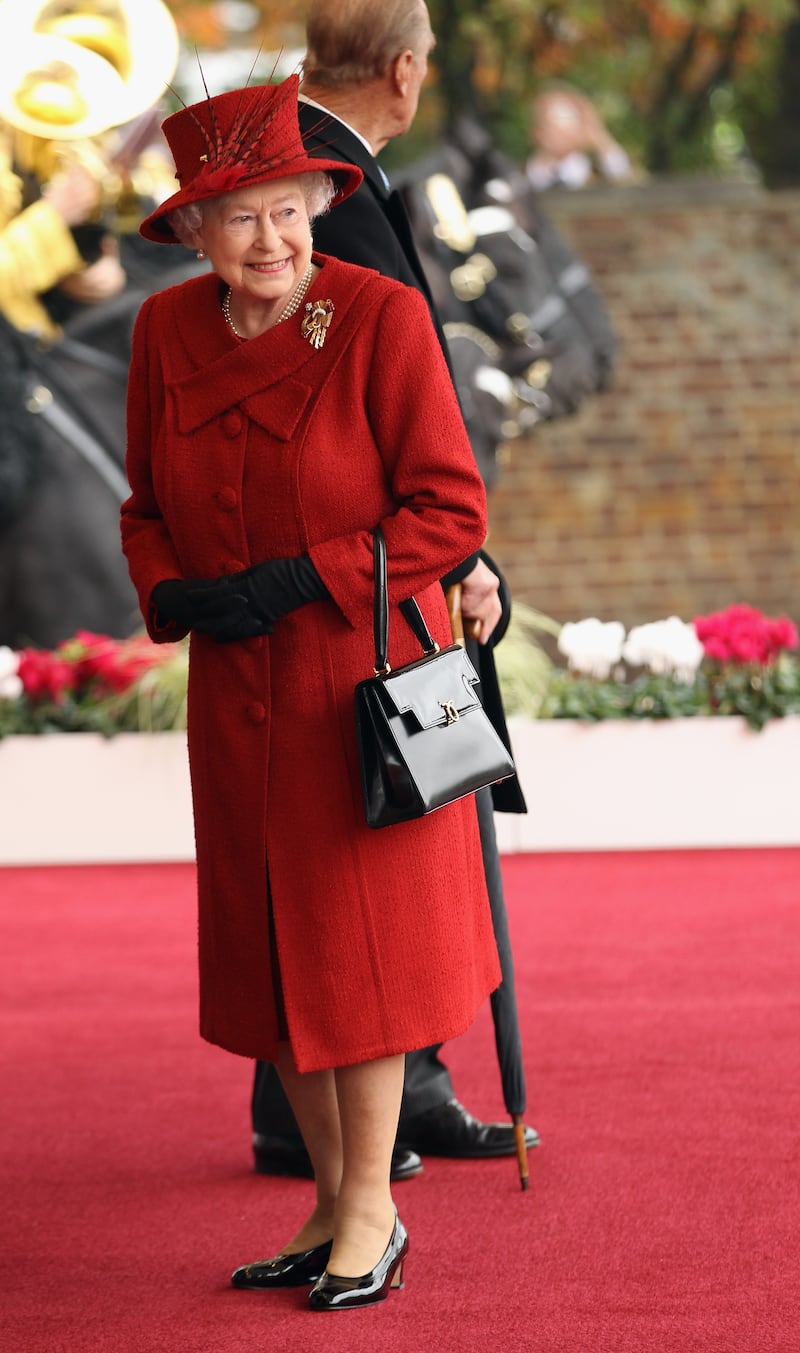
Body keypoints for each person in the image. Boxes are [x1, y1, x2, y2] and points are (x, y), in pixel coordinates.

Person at [120, 75, 501, 1311]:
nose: (273, 240)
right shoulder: (163, 336)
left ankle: (374, 1213)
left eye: (290, 209)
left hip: (358, 685)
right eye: (240, 218)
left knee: (357, 957)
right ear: (192, 233)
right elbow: (141, 510)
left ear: (319, 203)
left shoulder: (380, 319)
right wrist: (173, 590)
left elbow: (447, 510)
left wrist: (303, 578)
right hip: (235, 692)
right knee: (274, 959)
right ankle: (331, 1201)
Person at [249, 0, 539, 1184]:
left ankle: (398, 1088)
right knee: (370, 837)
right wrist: (456, 554)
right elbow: (365, 392)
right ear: (407, 71)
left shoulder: (324, 167)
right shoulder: (322, 184)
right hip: (365, 568)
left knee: (385, 824)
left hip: (375, 557)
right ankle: (319, 1109)